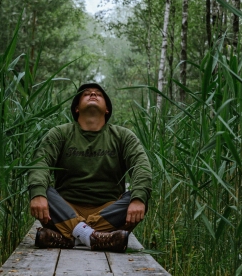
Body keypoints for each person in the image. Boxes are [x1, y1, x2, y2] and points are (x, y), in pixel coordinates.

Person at [27, 82, 152, 252]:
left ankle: (74, 238)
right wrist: (38, 194)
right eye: (86, 93)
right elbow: (40, 163)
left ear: (107, 109)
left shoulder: (123, 136)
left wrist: (138, 199)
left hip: (107, 212)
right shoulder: (60, 133)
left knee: (139, 196)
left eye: (98, 94)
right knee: (42, 190)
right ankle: (95, 237)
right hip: (65, 209)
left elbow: (141, 166)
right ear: (77, 108)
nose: (93, 94)